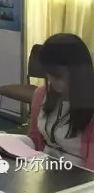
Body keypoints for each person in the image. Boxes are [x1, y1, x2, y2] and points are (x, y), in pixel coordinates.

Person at [29, 33, 94, 169]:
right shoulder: (41, 94)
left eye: (57, 75)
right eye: (48, 74)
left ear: (79, 71)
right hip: (45, 168)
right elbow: (35, 139)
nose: (51, 80)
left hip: (79, 175)